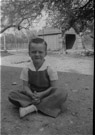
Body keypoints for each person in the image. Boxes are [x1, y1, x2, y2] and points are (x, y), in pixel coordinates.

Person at [8, 37, 68, 118]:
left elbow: (53, 88)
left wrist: (41, 95)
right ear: (29, 53)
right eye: (33, 52)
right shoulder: (26, 69)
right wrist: (32, 95)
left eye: (40, 52)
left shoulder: (50, 69)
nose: (37, 54)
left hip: (47, 95)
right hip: (32, 95)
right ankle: (45, 105)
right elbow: (25, 86)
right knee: (12, 94)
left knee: (62, 92)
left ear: (45, 53)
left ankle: (31, 108)